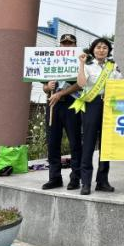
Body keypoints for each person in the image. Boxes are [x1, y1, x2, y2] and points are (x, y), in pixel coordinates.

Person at [75, 37, 122, 195]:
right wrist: (81, 64)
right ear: (93, 50)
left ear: (109, 50)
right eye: (98, 47)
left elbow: (120, 84)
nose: (101, 50)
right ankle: (86, 182)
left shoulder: (113, 66)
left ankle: (102, 181)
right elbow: (81, 84)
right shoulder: (88, 66)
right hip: (91, 104)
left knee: (106, 143)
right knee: (88, 143)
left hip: (109, 105)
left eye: (104, 47)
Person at [41, 33, 82, 191]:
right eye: (64, 43)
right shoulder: (52, 59)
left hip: (72, 103)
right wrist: (48, 87)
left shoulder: (80, 61)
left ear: (75, 45)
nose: (67, 46)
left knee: (75, 142)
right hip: (53, 104)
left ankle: (75, 177)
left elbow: (80, 84)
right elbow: (44, 87)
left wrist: (61, 93)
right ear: (60, 45)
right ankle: (55, 177)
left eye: (70, 43)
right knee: (52, 142)